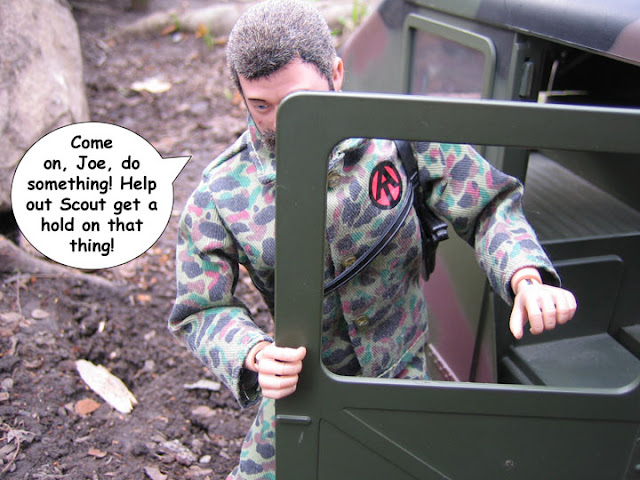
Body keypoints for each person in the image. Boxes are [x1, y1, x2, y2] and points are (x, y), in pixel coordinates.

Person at [168, 0, 577, 478]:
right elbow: (201, 307)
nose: (280, 121)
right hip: (304, 384)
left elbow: (487, 204)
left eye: (299, 101)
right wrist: (252, 353)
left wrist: (524, 275)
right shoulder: (221, 193)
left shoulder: (399, 135)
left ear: (336, 74)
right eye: (261, 106)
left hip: (402, 370)